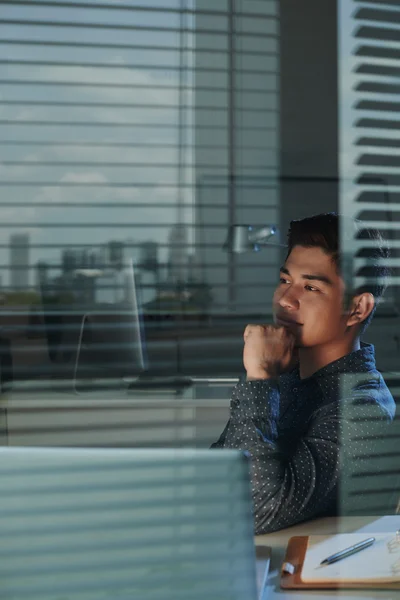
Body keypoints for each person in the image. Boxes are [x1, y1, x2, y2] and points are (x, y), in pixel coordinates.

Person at [212, 213, 396, 534]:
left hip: (300, 576)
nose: (284, 300)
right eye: (285, 281)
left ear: (358, 308)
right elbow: (216, 477)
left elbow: (251, 513)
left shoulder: (362, 409)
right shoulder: (288, 377)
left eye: (310, 287)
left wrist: (259, 376)